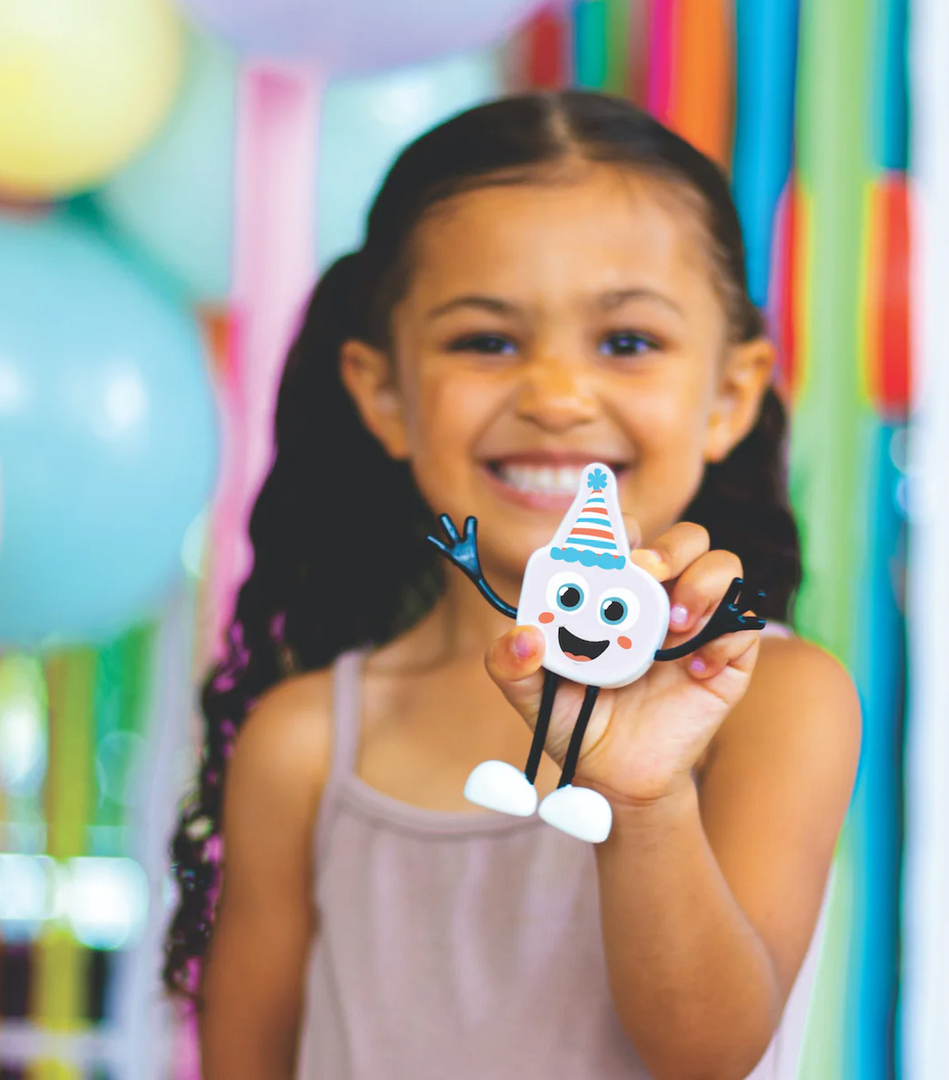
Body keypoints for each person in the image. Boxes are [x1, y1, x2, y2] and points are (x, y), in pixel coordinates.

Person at [163, 90, 861, 1080]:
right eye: (486, 341)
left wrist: (646, 796)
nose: (556, 395)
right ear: (384, 392)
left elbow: (710, 1052)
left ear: (730, 395)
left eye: (626, 342)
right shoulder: (305, 741)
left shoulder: (776, 701)